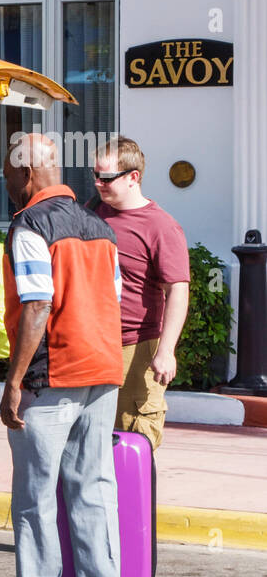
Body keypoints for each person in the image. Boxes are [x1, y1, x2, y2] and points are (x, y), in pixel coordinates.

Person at [0, 134, 133, 577]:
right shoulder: (99, 226)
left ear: (27, 174)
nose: (7, 186)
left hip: (52, 378)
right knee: (93, 490)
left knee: (35, 495)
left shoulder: (30, 224)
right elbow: (113, 303)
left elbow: (37, 304)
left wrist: (14, 383)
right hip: (103, 372)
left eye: (8, 177)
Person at [92, 137, 189, 448]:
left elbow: (177, 290)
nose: (98, 184)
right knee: (93, 442)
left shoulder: (161, 226)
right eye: (95, 176)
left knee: (132, 441)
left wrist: (166, 351)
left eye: (106, 177)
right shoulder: (93, 213)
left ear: (133, 177)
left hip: (136, 347)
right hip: (93, 343)